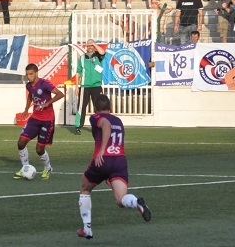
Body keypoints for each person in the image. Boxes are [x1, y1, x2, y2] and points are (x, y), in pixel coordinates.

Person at [76, 94, 151, 239]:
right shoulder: (118, 120)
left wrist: (102, 150)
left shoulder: (95, 118)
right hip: (119, 161)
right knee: (120, 199)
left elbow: (106, 125)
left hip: (103, 160)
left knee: (85, 189)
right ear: (110, 107)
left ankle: (87, 229)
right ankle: (136, 202)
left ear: (96, 109)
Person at [14, 63, 64, 180]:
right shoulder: (29, 86)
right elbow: (31, 96)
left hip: (47, 120)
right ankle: (25, 167)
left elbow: (60, 94)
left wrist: (47, 103)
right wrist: (26, 109)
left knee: (39, 149)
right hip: (34, 119)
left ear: (36, 73)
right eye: (27, 75)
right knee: (21, 143)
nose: (29, 77)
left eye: (31, 74)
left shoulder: (44, 83)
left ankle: (48, 168)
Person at [75, 39, 105, 135]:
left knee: (99, 107)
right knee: (81, 107)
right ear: (86, 46)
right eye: (88, 45)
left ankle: (100, 126)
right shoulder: (82, 58)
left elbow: (102, 52)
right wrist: (76, 86)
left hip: (96, 86)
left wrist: (94, 44)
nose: (90, 47)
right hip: (85, 86)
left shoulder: (98, 56)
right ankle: (78, 126)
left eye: (91, 45)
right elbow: (78, 72)